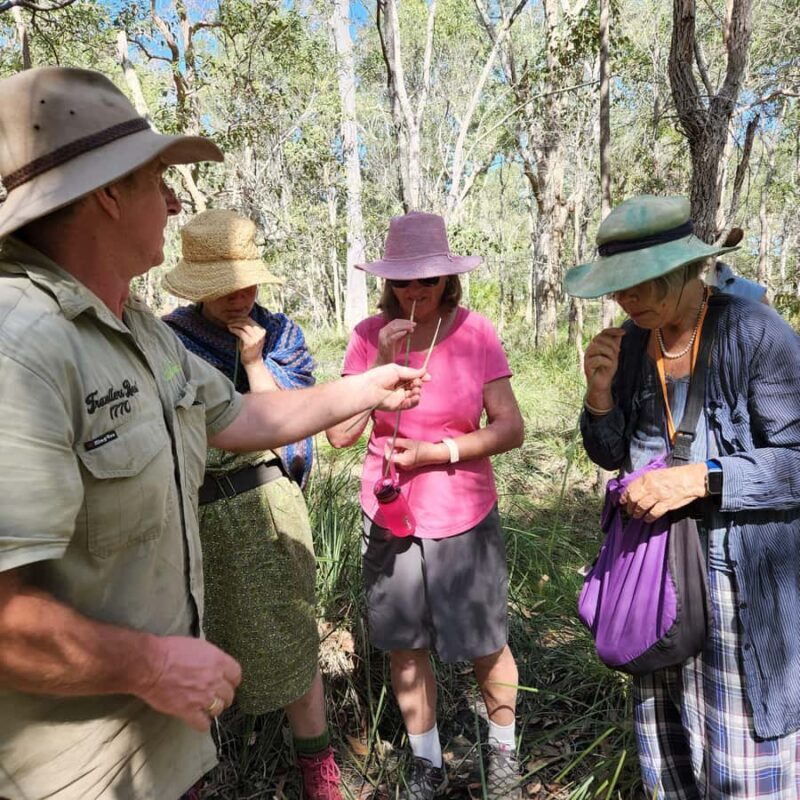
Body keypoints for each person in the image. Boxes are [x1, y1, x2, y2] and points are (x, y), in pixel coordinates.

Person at [0, 67, 424, 800]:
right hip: (74, 772)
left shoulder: (136, 331)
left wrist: (366, 385)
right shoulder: (23, 349)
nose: (171, 201)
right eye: (159, 178)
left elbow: (238, 418)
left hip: (160, 748)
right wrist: (150, 666)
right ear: (106, 193)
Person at [566, 194, 800, 799]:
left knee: (742, 765)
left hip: (737, 589)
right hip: (655, 582)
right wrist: (598, 394)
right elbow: (612, 451)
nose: (625, 300)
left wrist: (701, 479)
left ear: (687, 270)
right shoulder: (631, 345)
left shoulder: (756, 335)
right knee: (669, 755)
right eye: (616, 288)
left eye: (638, 284)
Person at [326, 211, 526, 800]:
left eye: (427, 281)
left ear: (447, 279)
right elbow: (340, 437)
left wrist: (437, 452)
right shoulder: (368, 336)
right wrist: (377, 375)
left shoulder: (476, 332)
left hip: (462, 509)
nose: (414, 292)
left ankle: (503, 752)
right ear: (388, 283)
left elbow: (510, 426)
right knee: (404, 643)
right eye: (403, 282)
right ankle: (427, 762)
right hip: (389, 512)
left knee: (485, 639)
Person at [161, 208, 341, 800]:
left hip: (264, 502)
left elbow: (295, 434)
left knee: (290, 635)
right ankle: (196, 772)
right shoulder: (168, 339)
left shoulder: (280, 333)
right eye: (223, 286)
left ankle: (317, 764)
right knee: (190, 641)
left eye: (248, 283)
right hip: (189, 514)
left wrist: (257, 363)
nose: (240, 296)